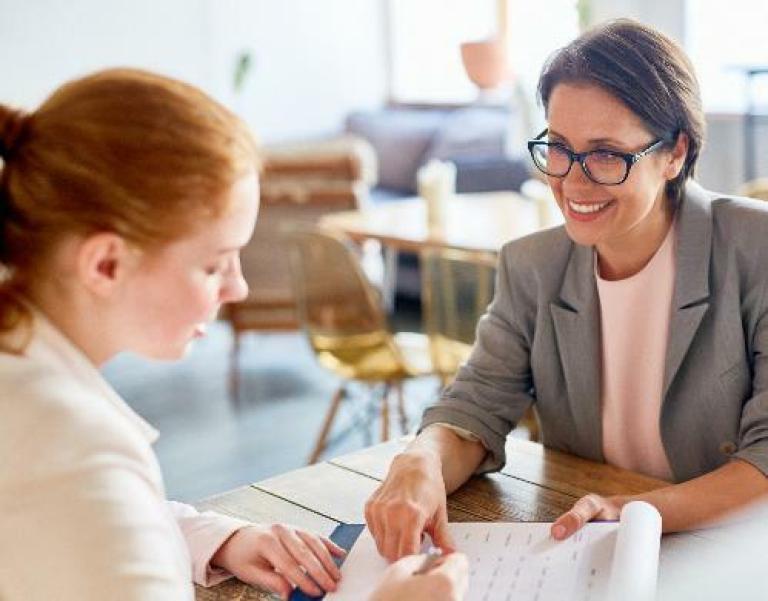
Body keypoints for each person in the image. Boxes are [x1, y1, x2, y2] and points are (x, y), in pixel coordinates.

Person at [0, 69, 467, 600]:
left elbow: (85, 526)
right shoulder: (74, 452)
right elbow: (84, 500)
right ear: (106, 264)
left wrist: (216, 538)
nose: (238, 287)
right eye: (214, 264)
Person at [365, 18, 768, 562]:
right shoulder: (533, 266)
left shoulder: (756, 250)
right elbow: (475, 409)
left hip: (733, 548)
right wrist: (423, 459)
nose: (573, 182)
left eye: (606, 154)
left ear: (675, 153)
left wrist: (635, 511)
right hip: (593, 545)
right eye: (559, 147)